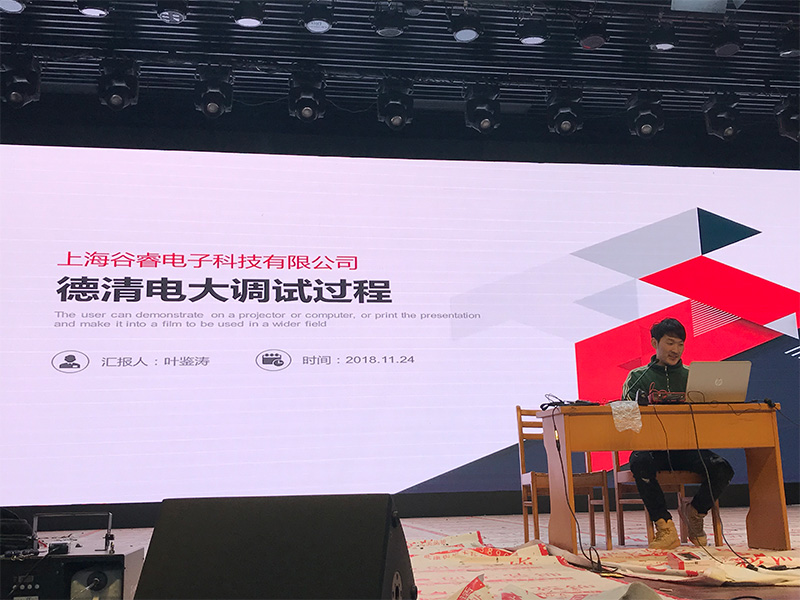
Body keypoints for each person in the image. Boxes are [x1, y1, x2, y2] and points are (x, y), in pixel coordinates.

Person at [621, 317, 734, 550]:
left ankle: (695, 513)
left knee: (722, 468)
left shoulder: (694, 377)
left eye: (680, 344)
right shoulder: (638, 376)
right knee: (640, 462)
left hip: (686, 448)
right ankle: (665, 527)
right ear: (655, 343)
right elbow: (626, 419)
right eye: (670, 343)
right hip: (652, 449)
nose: (676, 350)